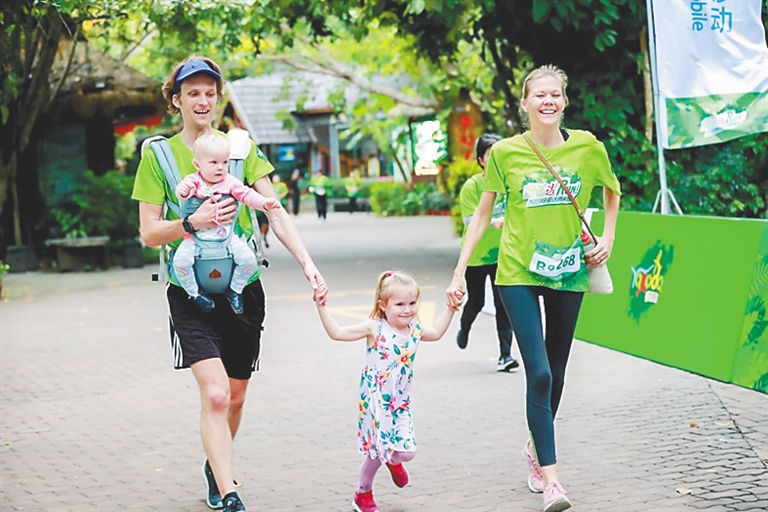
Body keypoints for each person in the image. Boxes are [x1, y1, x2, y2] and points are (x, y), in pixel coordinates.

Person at [132, 56, 327, 512]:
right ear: (176, 99)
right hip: (190, 292)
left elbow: (272, 209)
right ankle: (228, 486)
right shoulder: (158, 155)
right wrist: (191, 222)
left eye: (210, 92)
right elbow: (147, 233)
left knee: (235, 396)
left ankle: (213, 464)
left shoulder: (240, 149)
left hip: (243, 290)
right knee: (216, 394)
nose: (203, 101)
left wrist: (307, 262)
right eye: (193, 93)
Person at [446, 64, 620, 512]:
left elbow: (612, 191)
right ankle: (553, 481)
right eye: (539, 95)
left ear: (564, 101)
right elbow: (482, 217)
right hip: (518, 271)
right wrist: (460, 270)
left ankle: (533, 449)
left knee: (558, 374)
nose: (548, 101)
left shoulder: (587, 147)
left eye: (555, 94)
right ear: (524, 104)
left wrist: (608, 240)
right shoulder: (505, 153)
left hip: (569, 271)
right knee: (538, 373)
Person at [315, 270, 457, 512]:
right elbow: (337, 333)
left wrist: (451, 308)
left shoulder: (415, 330)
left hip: (400, 403)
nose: (407, 309)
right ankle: (363, 494)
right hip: (376, 403)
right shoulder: (375, 328)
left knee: (407, 452)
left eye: (412, 303)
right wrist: (321, 307)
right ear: (383, 305)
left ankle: (393, 460)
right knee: (376, 452)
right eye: (399, 304)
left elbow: (437, 332)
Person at [174, 132, 281, 314]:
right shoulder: (193, 181)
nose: (220, 168)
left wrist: (264, 202)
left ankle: (235, 290)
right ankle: (195, 294)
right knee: (180, 263)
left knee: (248, 260)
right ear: (197, 165)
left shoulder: (230, 182)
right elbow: (181, 194)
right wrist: (183, 191)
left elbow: (247, 195)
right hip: (196, 240)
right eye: (214, 163)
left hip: (226, 237)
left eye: (225, 162)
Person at [456, 133, 519, 373]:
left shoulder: (510, 183)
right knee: (477, 301)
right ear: (481, 160)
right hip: (477, 255)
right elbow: (470, 219)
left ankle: (505, 355)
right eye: (490, 155)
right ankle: (465, 326)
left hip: (502, 254)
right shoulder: (472, 186)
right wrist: (494, 221)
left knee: (504, 305)